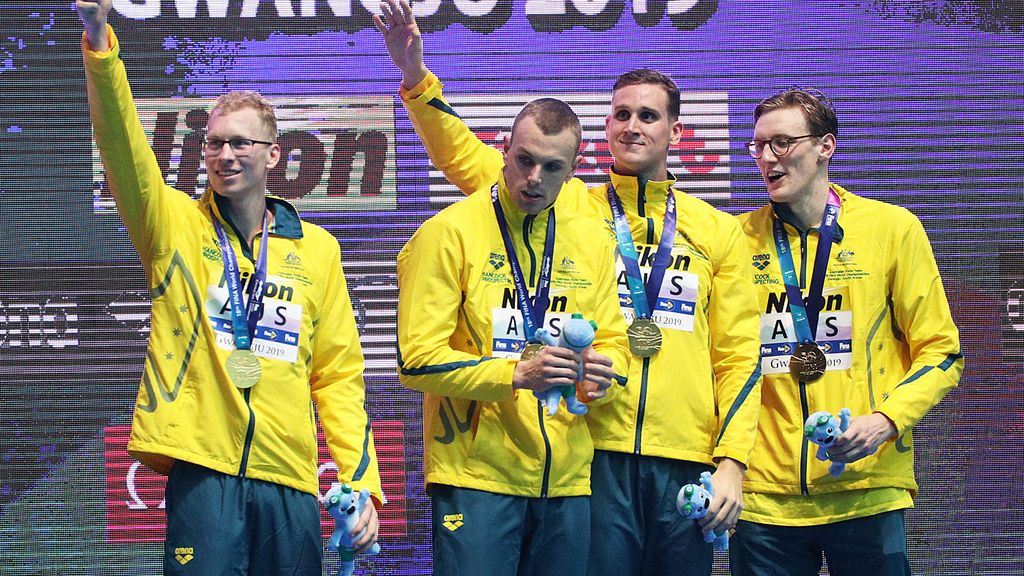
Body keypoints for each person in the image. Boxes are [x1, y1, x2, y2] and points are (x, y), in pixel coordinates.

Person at [375, 2, 762, 574]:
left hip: (682, 452)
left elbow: (738, 356)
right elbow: (463, 154)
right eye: (621, 113)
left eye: (649, 116)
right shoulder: (567, 197)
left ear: (677, 132)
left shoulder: (716, 230)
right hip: (590, 451)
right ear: (604, 128)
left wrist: (732, 459)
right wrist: (415, 78)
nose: (632, 126)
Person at [76, 2, 382, 573]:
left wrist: (359, 478)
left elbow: (338, 375)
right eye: (214, 142)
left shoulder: (317, 250)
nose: (224, 154)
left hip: (289, 477)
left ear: (274, 154)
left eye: (240, 143)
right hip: (204, 472)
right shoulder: (174, 228)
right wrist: (101, 46)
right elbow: (124, 150)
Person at [730, 87, 964, 575]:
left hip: (866, 488)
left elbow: (942, 353)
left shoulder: (892, 229)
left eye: (781, 143)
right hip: (765, 499)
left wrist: (884, 421)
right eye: (757, 146)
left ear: (825, 146)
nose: (766, 158)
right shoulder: (736, 239)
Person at [395, 94, 631, 575]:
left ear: (574, 168)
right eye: (524, 160)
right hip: (477, 475)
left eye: (551, 167)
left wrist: (605, 378)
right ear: (504, 148)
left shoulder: (590, 240)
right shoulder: (449, 233)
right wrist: (516, 374)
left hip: (566, 480)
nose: (533, 179)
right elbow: (417, 359)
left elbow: (616, 346)